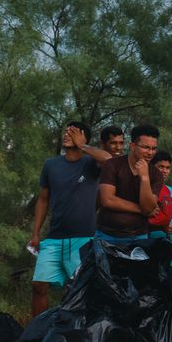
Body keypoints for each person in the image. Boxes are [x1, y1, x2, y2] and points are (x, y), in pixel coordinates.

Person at [28, 121, 111, 317]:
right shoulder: (51, 164)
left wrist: (83, 146)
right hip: (54, 238)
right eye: (66, 132)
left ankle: (79, 336)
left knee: (80, 290)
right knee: (38, 285)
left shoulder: (91, 163)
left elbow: (109, 160)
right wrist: (36, 233)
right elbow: (43, 199)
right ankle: (36, 336)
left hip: (83, 239)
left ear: (84, 138)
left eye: (73, 132)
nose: (67, 135)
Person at [95, 124, 161, 246]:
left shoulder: (156, 174)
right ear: (133, 146)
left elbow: (148, 208)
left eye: (154, 148)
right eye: (146, 147)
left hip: (139, 236)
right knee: (102, 265)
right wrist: (141, 210)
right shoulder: (112, 165)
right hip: (106, 236)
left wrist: (145, 178)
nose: (150, 152)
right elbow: (107, 200)